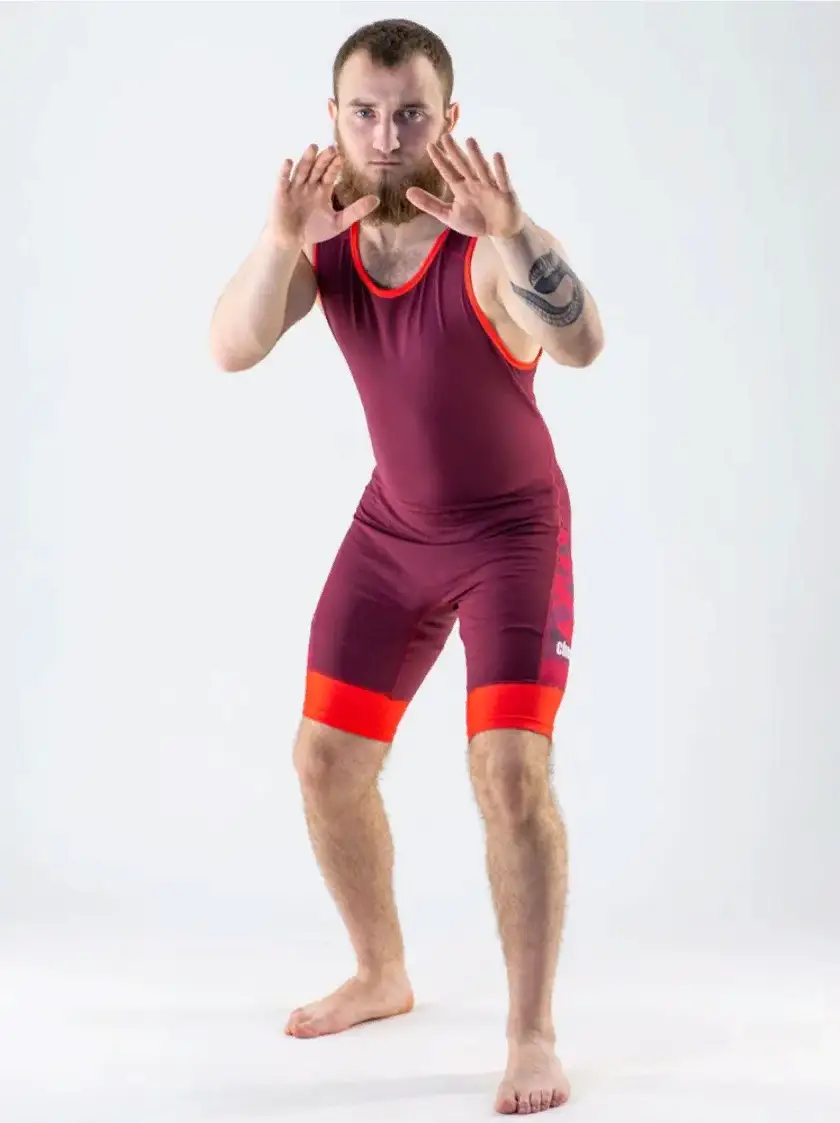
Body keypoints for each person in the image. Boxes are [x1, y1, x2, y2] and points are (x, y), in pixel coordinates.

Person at [209, 17, 604, 1116]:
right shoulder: (323, 238)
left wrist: (515, 232)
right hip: (393, 533)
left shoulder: (484, 243)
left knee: (510, 773)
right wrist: (279, 238)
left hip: (512, 536)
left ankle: (531, 1031)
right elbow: (231, 347)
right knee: (325, 762)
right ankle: (381, 972)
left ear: (449, 120)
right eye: (367, 113)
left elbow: (582, 344)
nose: (387, 136)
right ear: (333, 119)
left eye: (411, 114)